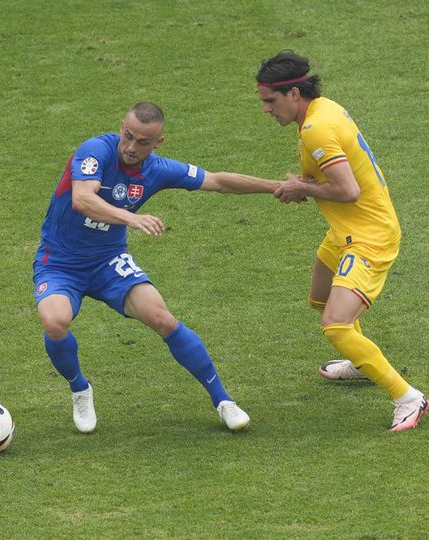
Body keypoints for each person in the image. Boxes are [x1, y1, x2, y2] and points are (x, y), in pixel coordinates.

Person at [33, 101, 280, 433]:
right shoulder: (95, 151)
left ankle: (224, 401)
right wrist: (132, 218)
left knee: (162, 318)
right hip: (60, 262)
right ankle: (80, 389)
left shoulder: (159, 170)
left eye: (143, 142)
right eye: (128, 136)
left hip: (108, 262)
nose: (132, 147)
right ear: (121, 126)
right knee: (54, 320)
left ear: (159, 142)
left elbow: (219, 181)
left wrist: (278, 186)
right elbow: (83, 199)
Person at [256, 51, 429, 432]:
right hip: (344, 233)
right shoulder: (323, 110)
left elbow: (348, 190)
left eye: (270, 101)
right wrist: (305, 186)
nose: (267, 109)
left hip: (369, 237)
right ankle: (363, 362)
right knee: (320, 299)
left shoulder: (316, 128)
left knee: (334, 324)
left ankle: (408, 398)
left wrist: (301, 187)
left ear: (294, 94)